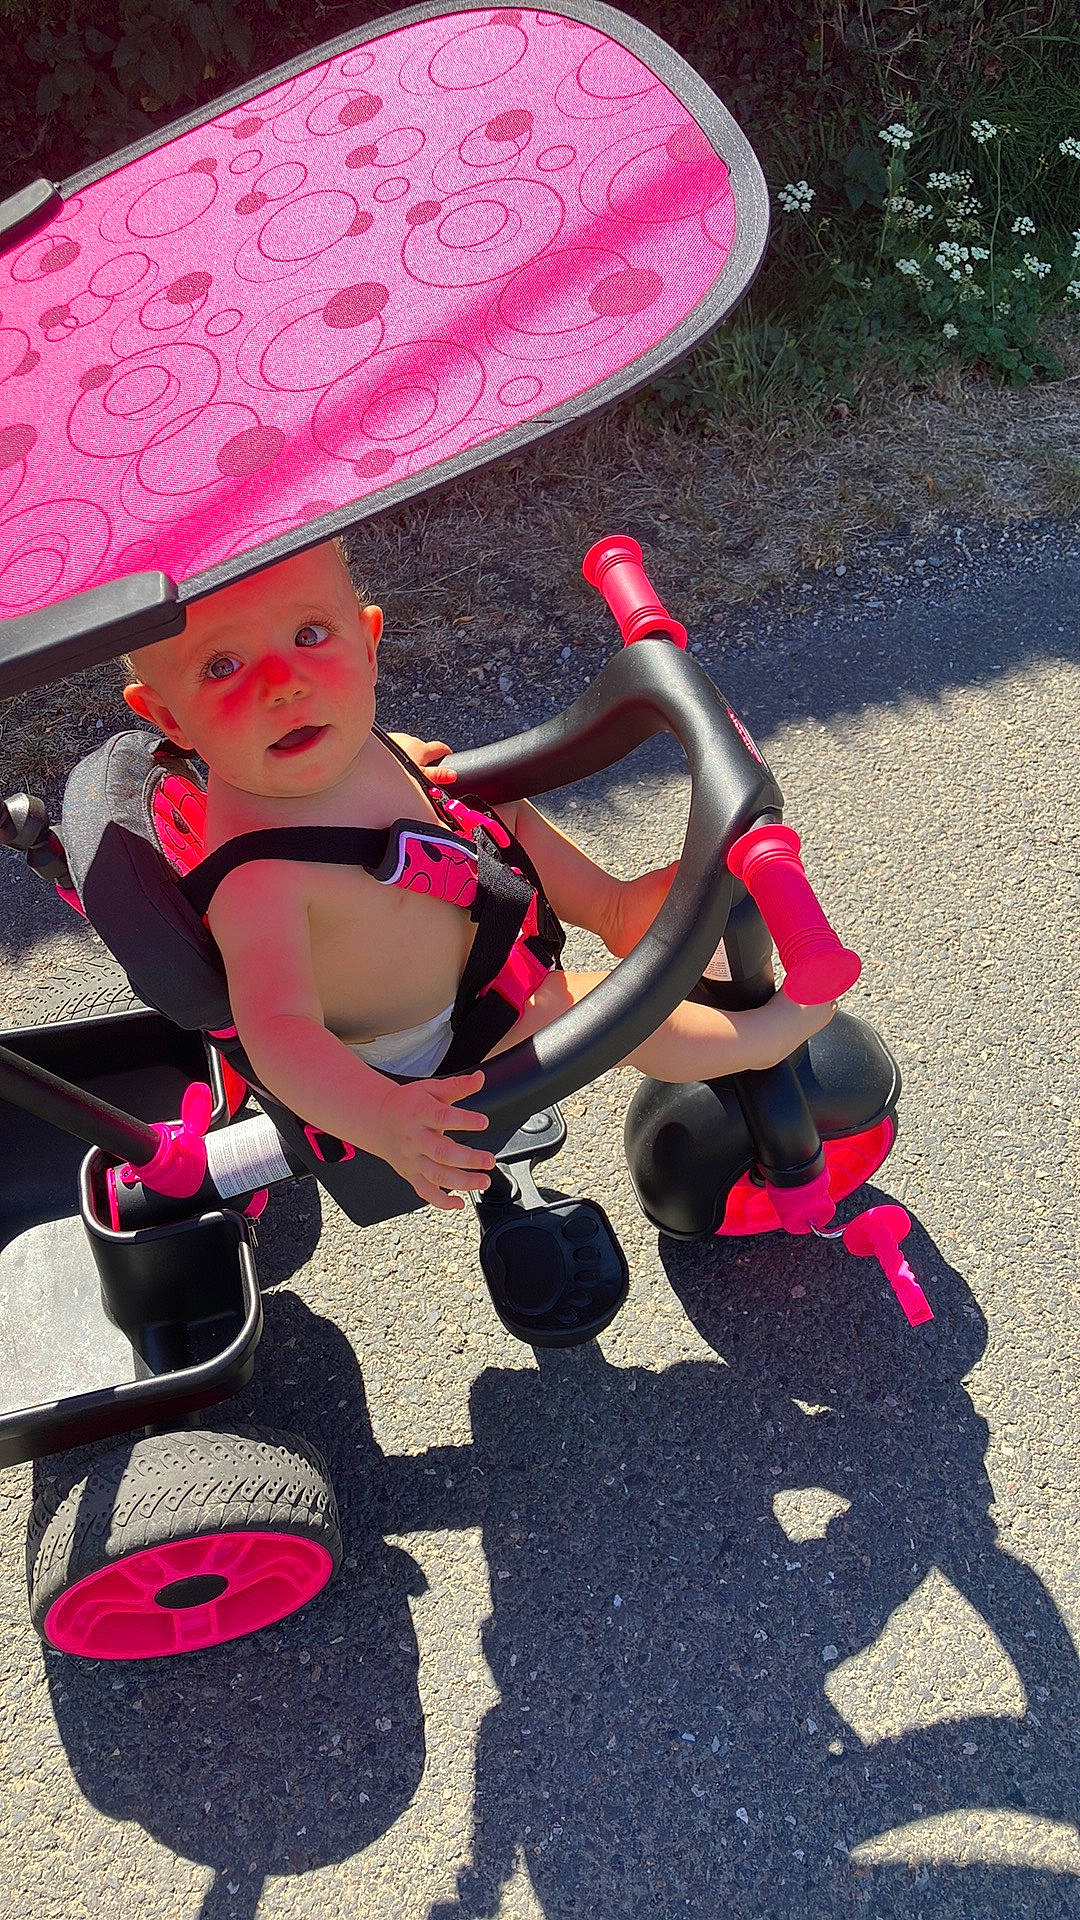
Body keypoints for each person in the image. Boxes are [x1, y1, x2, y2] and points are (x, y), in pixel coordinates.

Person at [121, 539, 837, 1211]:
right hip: (430, 1046)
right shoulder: (259, 881)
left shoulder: (301, 743)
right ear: (168, 717)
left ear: (367, 643)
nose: (283, 685)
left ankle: (615, 910)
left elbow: (373, 784)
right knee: (593, 1010)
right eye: (222, 667)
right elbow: (278, 1034)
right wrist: (383, 1117)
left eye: (310, 636)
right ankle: (761, 1041)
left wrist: (401, 760)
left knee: (489, 805)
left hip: (455, 927)